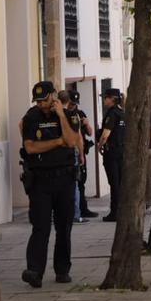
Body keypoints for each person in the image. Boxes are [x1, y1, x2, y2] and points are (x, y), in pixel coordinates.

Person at [21, 81, 81, 287]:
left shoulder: (69, 115)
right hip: (40, 180)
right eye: (37, 101)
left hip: (64, 178)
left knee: (64, 227)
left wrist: (61, 115)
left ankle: (62, 270)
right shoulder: (31, 116)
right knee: (41, 227)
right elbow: (30, 147)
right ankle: (34, 271)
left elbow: (72, 141)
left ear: (53, 96)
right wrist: (56, 142)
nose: (41, 105)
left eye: (44, 100)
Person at [61, 89, 98, 220]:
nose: (73, 106)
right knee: (74, 183)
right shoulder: (63, 115)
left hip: (80, 152)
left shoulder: (79, 113)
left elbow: (89, 133)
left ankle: (83, 208)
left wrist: (87, 124)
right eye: (71, 104)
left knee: (81, 182)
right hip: (71, 152)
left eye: (75, 104)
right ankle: (75, 211)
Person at [97, 88, 126, 222]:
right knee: (119, 183)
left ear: (112, 99)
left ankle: (115, 213)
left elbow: (105, 134)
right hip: (121, 152)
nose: (104, 100)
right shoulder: (122, 113)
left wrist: (99, 145)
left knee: (114, 184)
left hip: (112, 153)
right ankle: (120, 211)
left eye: (105, 97)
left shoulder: (112, 114)